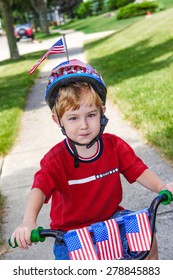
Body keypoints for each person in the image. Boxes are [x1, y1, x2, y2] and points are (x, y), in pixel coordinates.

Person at [11, 59, 173, 260]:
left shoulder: (114, 146)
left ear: (102, 112)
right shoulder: (56, 159)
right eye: (73, 118)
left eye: (91, 115)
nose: (84, 125)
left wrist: (162, 187)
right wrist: (28, 221)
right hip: (71, 234)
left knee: (146, 238)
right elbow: (39, 188)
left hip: (111, 219)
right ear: (57, 120)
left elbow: (138, 170)